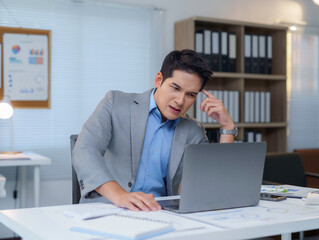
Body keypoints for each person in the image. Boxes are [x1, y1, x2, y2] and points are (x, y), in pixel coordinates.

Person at [72, 49, 237, 211]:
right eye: (175, 88)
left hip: (159, 214)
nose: (180, 101)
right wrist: (120, 195)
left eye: (191, 95)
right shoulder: (115, 103)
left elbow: (214, 183)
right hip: (110, 209)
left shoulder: (193, 130)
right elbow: (84, 150)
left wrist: (227, 128)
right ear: (159, 80)